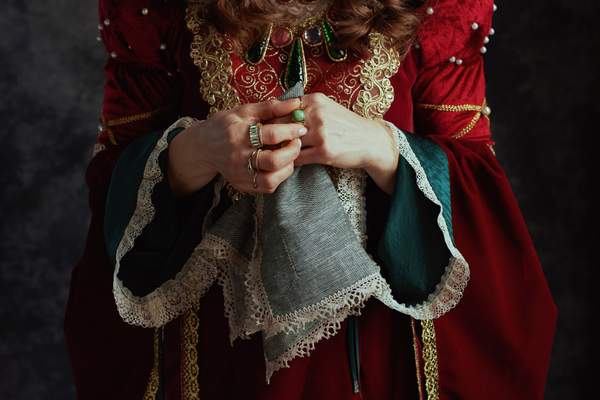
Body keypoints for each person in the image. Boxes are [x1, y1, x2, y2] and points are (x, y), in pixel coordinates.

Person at [64, 0, 557, 398]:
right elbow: (110, 185)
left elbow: (477, 182)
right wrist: (195, 151)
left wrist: (381, 148)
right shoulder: (150, 10)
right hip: (217, 358)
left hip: (378, 353)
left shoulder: (441, 10)